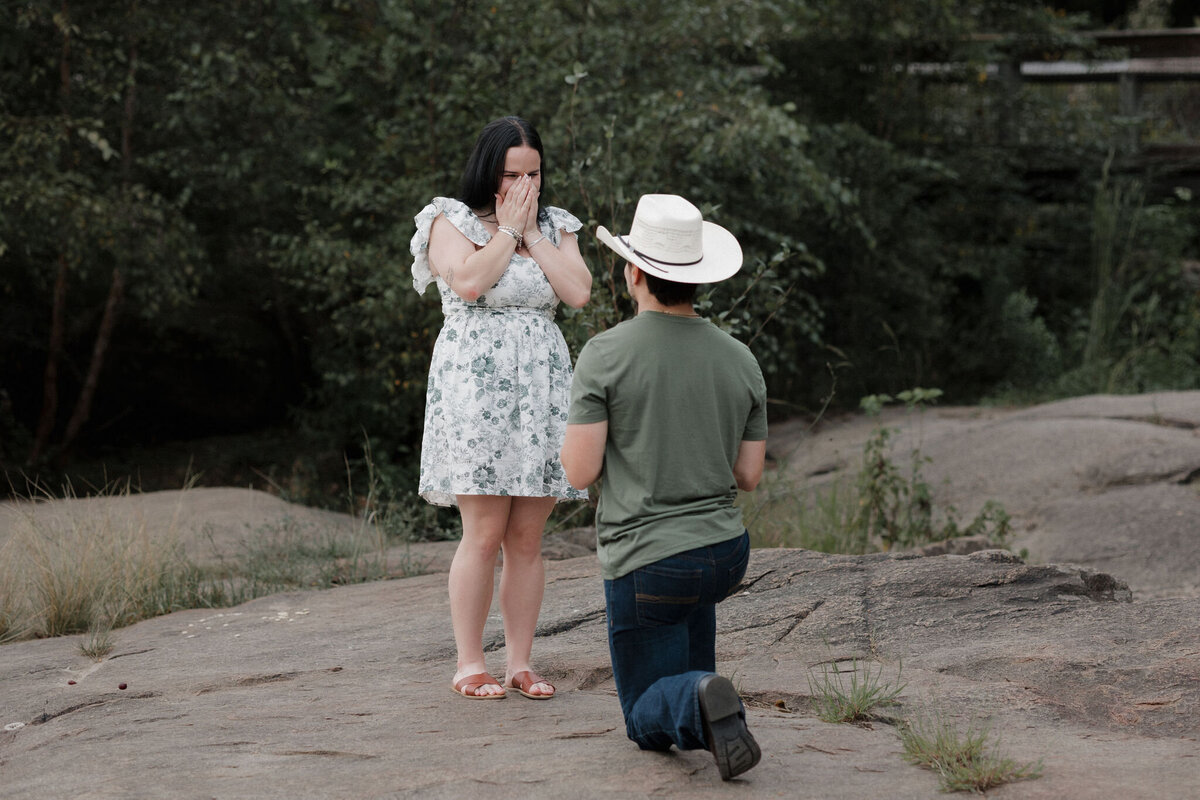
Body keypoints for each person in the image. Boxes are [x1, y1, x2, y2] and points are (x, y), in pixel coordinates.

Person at [560, 194, 767, 780]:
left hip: (649, 563)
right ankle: (707, 703)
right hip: (725, 555)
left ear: (633, 271)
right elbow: (748, 475)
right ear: (697, 279)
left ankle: (697, 697)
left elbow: (578, 472)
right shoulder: (740, 358)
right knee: (690, 653)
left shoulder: (605, 355)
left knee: (642, 717)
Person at [410, 116, 592, 700]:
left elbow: (579, 292)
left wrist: (532, 233)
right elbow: (467, 281)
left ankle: (519, 661)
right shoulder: (448, 218)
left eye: (532, 173)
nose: (522, 185)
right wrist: (508, 234)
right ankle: (469, 662)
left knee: (527, 539)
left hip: (541, 388)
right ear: (488, 171)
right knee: (483, 532)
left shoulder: (557, 226)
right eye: (511, 174)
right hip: (478, 389)